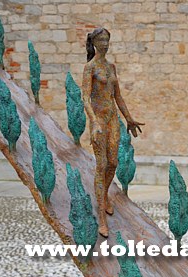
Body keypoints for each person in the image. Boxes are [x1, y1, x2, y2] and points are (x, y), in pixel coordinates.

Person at [81, 27, 144, 237]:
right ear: (94, 42)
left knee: (114, 163)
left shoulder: (111, 67)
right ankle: (100, 216)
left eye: (107, 39)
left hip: (112, 120)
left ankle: (104, 194)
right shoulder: (90, 68)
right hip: (99, 121)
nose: (105, 44)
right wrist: (94, 122)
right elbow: (85, 97)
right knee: (102, 165)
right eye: (101, 40)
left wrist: (129, 118)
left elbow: (118, 96)